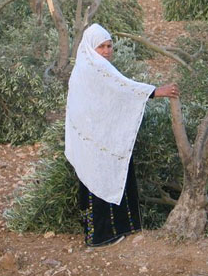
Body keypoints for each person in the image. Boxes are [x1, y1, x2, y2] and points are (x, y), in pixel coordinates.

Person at [64, 23, 179, 247]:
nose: (107, 51)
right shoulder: (91, 69)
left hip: (105, 137)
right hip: (94, 140)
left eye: (109, 46)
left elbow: (118, 93)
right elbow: (123, 88)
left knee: (112, 178)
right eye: (101, 47)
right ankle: (100, 236)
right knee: (96, 182)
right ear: (90, 48)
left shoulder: (93, 67)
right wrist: (155, 92)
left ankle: (119, 230)